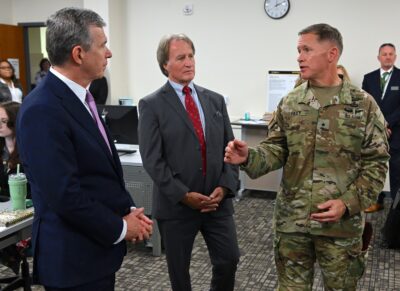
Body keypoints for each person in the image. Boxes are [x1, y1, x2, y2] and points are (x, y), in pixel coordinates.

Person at [225, 23, 390, 290]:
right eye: (298, 50)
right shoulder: (291, 102)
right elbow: (277, 149)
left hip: (341, 226)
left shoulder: (363, 105)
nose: (299, 57)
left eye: (306, 50)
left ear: (332, 54)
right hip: (294, 222)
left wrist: (347, 203)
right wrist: (248, 156)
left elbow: (377, 163)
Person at [16, 7, 152, 290]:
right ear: (78, 54)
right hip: (72, 262)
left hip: (95, 254)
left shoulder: (81, 98)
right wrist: (123, 227)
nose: (109, 53)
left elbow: (100, 171)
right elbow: (65, 194)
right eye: (103, 46)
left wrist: (127, 209)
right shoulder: (42, 109)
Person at [138, 33, 240, 291]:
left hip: (217, 202)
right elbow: (152, 159)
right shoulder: (151, 105)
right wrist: (184, 195)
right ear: (165, 64)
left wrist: (226, 187)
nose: (188, 62)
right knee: (180, 275)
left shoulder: (214, 100)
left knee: (229, 260)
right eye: (180, 57)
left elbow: (231, 149)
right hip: (177, 206)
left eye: (191, 56)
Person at [362, 43, 400, 213]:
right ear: (379, 57)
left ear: (395, 57)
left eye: (391, 54)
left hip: (396, 132)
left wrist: (388, 124)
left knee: (396, 170)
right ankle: (375, 200)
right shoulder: (368, 78)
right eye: (384, 54)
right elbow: (366, 105)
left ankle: (396, 207)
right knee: (373, 167)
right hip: (374, 132)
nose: (388, 57)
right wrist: (379, 125)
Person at [0, 101, 31, 274]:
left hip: (25, 210)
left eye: (3, 121)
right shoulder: (1, 149)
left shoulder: (29, 148)